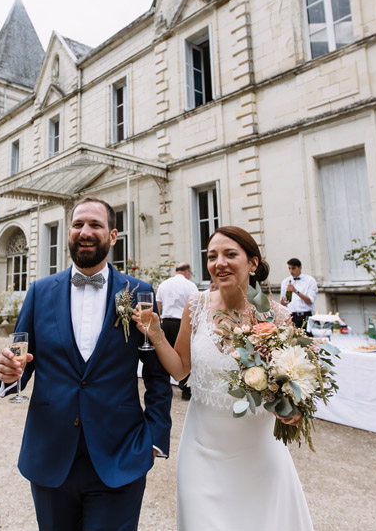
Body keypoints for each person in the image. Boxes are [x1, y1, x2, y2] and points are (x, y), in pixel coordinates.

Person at [0, 197, 172, 531]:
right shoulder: (39, 292)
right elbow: (20, 363)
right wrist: (8, 375)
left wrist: (155, 438)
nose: (85, 232)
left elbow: (157, 375)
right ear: (69, 233)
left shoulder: (139, 292)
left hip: (121, 454)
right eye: (78, 224)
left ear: (113, 235)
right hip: (51, 455)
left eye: (95, 225)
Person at [132, 226, 314, 530]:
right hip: (201, 452)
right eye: (212, 256)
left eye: (231, 254)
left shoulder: (278, 317)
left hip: (259, 454)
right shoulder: (196, 305)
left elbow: (297, 385)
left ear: (252, 263)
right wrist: (157, 334)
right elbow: (180, 370)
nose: (220, 263)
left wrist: (293, 412)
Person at [156, 261, 199, 400]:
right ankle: (186, 390)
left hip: (166, 321)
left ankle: (163, 387)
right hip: (182, 322)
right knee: (184, 356)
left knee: (164, 355)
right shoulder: (190, 285)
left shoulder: (164, 284)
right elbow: (196, 306)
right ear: (187, 271)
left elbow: (157, 305)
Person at [280, 257, 318, 331]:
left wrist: (295, 291)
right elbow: (282, 303)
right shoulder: (285, 281)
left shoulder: (310, 280)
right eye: (289, 268)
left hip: (305, 315)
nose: (291, 271)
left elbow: (310, 300)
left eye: (293, 268)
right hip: (291, 316)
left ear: (300, 268)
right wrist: (285, 300)